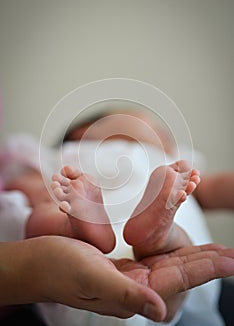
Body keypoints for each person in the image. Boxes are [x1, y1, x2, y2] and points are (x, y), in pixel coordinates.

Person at [0, 109, 234, 326]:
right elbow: (21, 184)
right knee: (42, 208)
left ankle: (154, 236)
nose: (159, 132)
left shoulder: (173, 166)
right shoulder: (65, 157)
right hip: (69, 271)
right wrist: (39, 192)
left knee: (46, 206)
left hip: (163, 277)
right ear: (83, 132)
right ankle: (85, 230)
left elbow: (216, 189)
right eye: (135, 117)